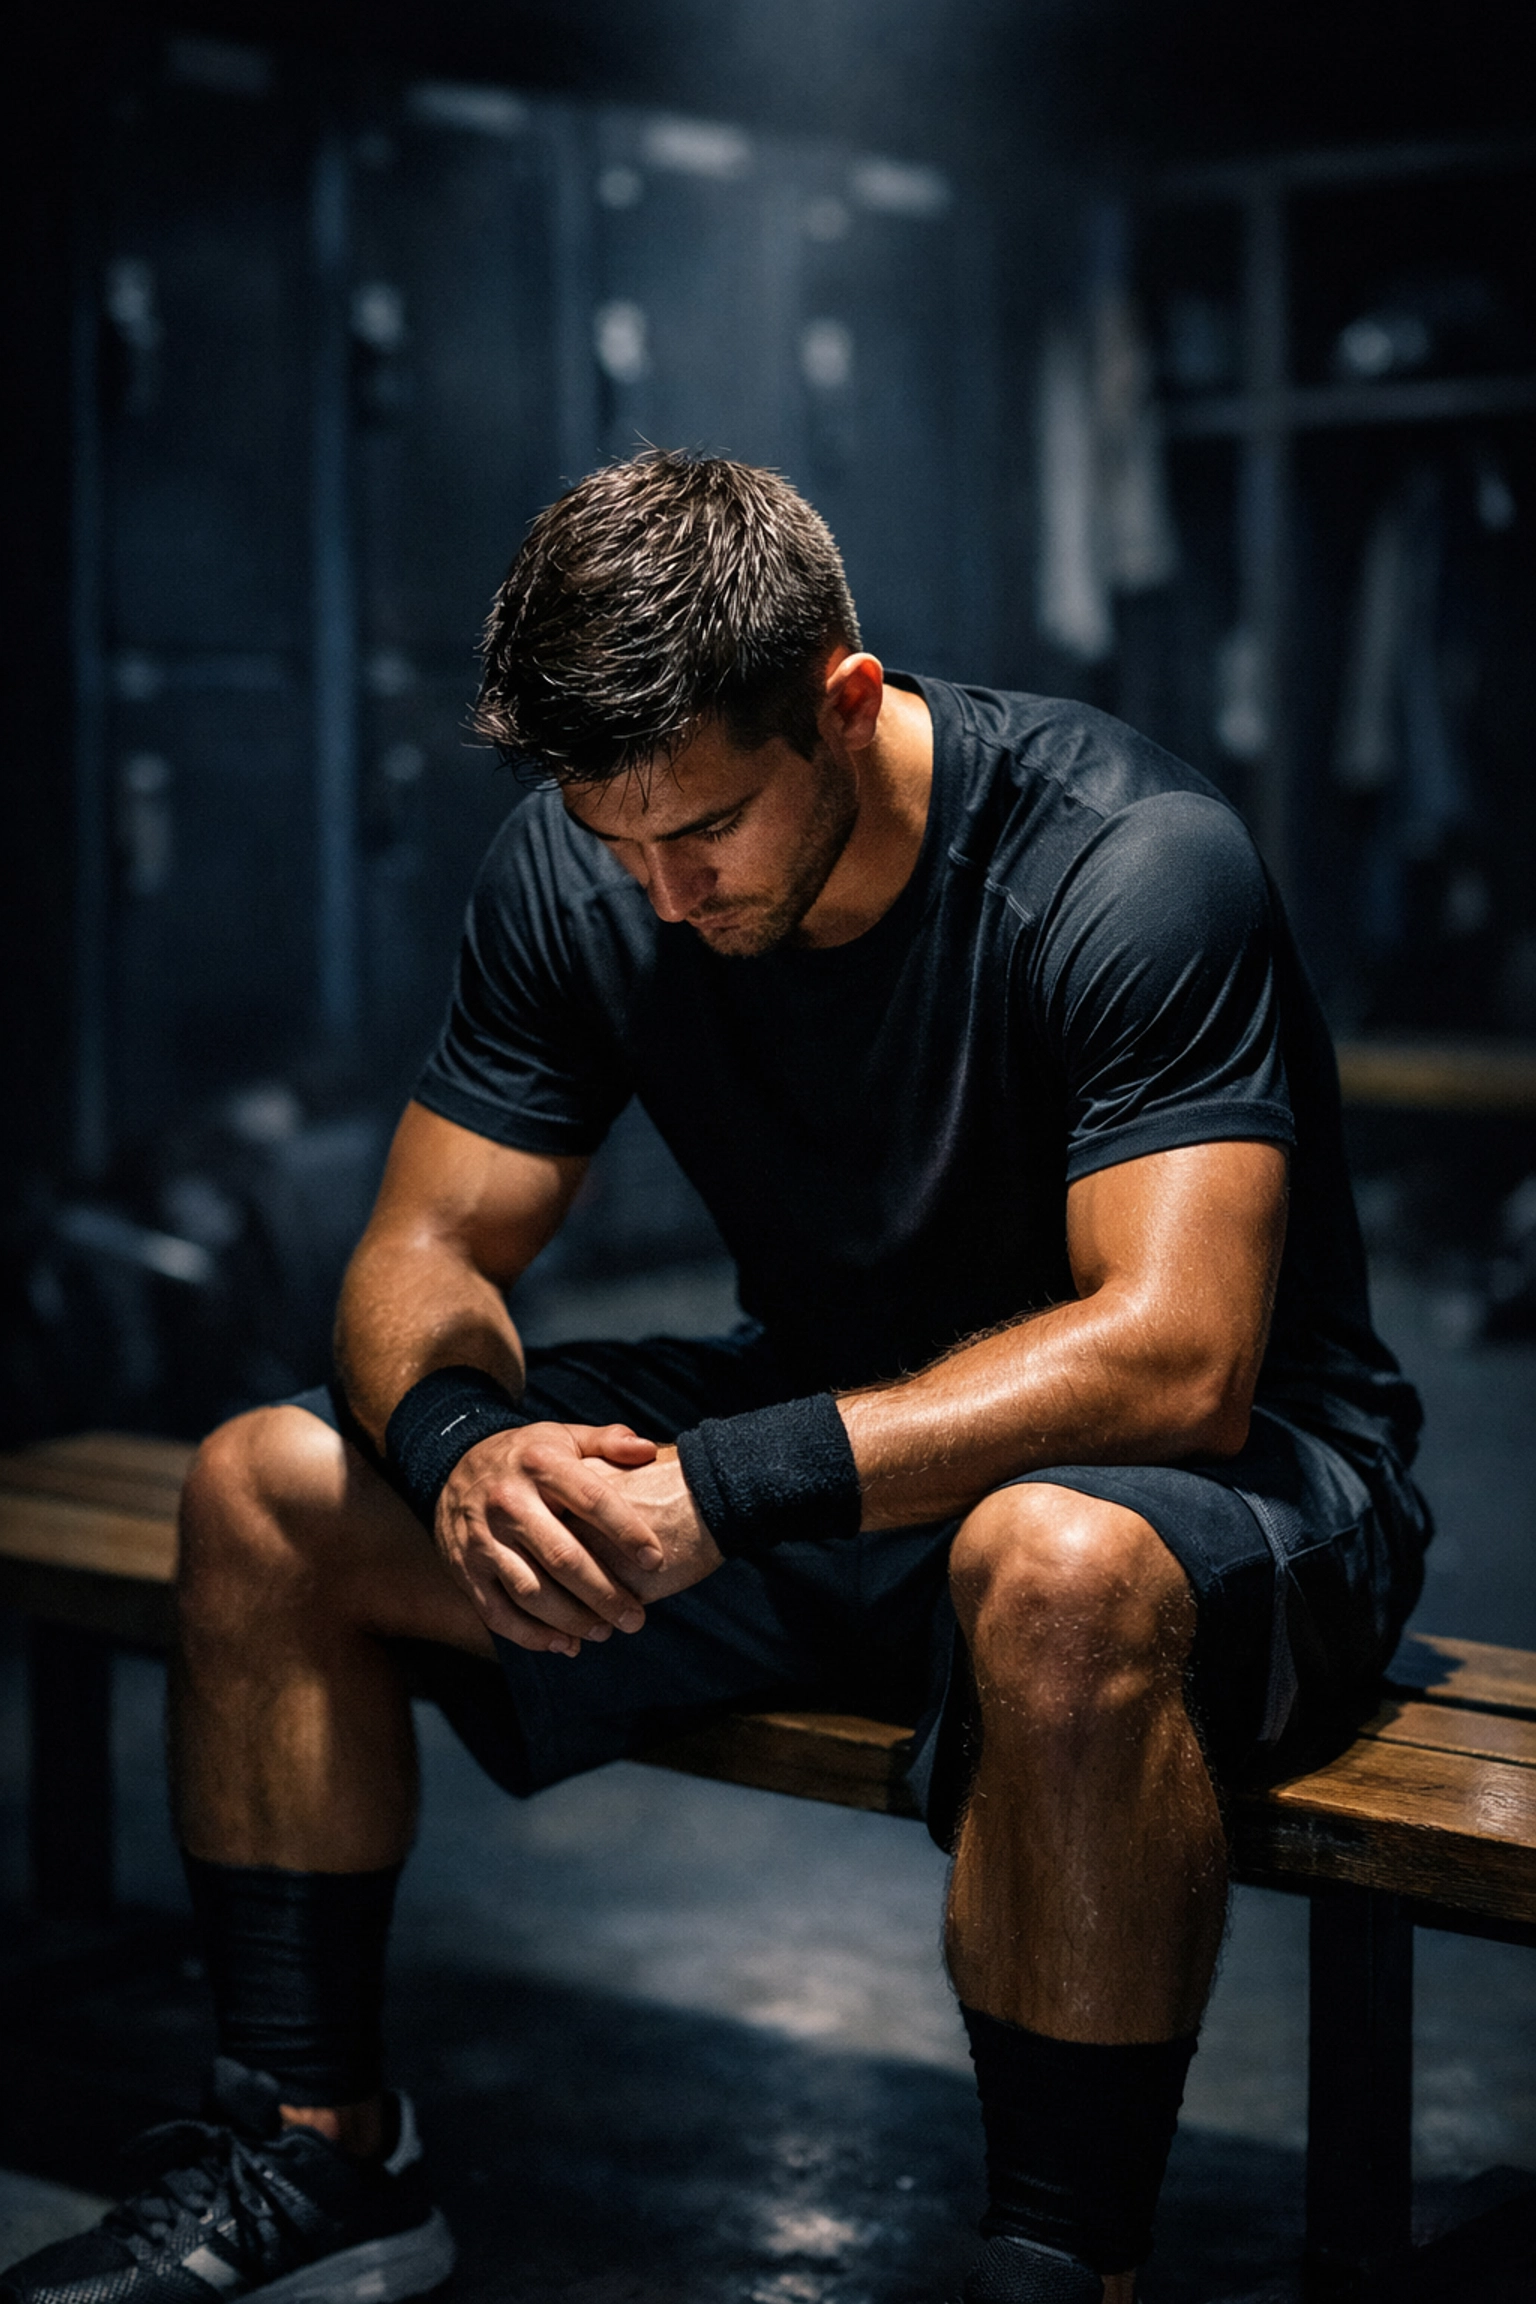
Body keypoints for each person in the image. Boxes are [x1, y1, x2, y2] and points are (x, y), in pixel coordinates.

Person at [3, 451, 1429, 2304]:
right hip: (835, 1437)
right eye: (620, 844)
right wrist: (455, 1447)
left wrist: (721, 1489)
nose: (662, 896)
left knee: (1055, 1566)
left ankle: (1060, 2270)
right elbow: (421, 1253)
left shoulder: (1125, 862)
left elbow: (1182, 1356)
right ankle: (325, 2158)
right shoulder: (598, 870)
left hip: (1237, 1489)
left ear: (844, 701)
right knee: (267, 1490)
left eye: (707, 834)